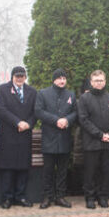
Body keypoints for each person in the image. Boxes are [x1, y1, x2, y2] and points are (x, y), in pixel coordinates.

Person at [0, 66, 37, 208]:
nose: (20, 79)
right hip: (9, 135)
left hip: (25, 134)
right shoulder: (2, 90)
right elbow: (1, 109)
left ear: (25, 77)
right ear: (12, 77)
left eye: (22, 76)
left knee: (23, 167)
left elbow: (35, 112)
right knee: (8, 168)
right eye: (17, 76)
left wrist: (28, 124)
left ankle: (21, 196)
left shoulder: (32, 91)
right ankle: (7, 198)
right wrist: (17, 122)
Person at [35, 68, 77, 209]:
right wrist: (56, 120)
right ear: (54, 80)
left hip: (64, 137)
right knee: (48, 170)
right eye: (59, 78)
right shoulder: (43, 93)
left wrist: (67, 120)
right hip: (49, 137)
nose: (62, 81)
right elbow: (39, 111)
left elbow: (76, 112)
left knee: (62, 170)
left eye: (64, 78)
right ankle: (47, 197)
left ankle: (60, 196)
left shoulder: (70, 94)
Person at [77, 70, 109, 209]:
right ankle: (90, 197)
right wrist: (100, 135)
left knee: (105, 171)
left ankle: (103, 197)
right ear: (91, 82)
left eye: (101, 80)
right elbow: (83, 120)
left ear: (105, 81)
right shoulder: (84, 99)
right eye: (96, 81)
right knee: (91, 172)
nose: (99, 83)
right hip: (92, 142)